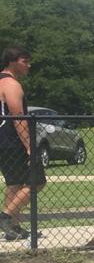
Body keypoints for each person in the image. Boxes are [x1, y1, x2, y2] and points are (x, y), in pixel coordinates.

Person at [0, 47, 45, 240]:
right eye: (24, 61)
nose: (28, 65)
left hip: (3, 140)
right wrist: (29, 146)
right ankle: (5, 217)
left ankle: (14, 227)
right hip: (12, 140)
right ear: (12, 61)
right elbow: (18, 117)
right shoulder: (11, 84)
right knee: (37, 181)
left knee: (15, 184)